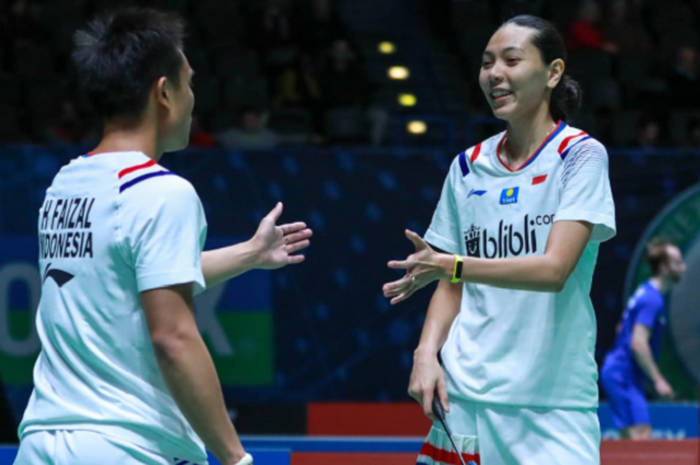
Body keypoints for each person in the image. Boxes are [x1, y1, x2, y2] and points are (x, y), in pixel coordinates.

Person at [14, 9, 312, 465]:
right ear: (164, 92)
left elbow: (130, 277)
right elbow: (173, 337)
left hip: (43, 444)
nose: (194, 98)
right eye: (189, 83)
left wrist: (250, 253)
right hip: (128, 446)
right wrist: (235, 457)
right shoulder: (160, 192)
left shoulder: (65, 184)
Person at [382, 15, 616, 464]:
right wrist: (426, 352)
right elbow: (451, 284)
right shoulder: (468, 167)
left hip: (553, 403)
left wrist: (452, 265)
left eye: (512, 60)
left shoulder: (580, 156)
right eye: (487, 63)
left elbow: (553, 271)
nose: (495, 74)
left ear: (553, 73)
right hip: (465, 400)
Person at [600, 239, 685, 440]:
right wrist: (659, 381)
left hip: (623, 373)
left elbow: (621, 327)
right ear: (664, 267)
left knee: (631, 441)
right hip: (623, 375)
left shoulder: (644, 290)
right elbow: (638, 343)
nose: (684, 267)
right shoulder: (652, 299)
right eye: (678, 263)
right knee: (641, 438)